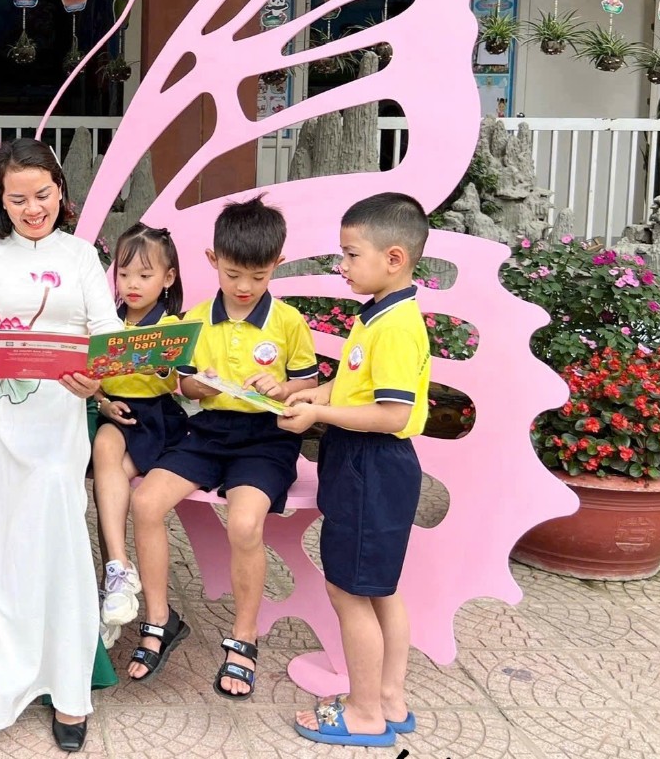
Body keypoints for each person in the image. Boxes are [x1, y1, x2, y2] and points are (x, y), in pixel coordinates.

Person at [0, 137, 121, 753]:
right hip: (6, 411)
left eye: (43, 195)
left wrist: (96, 375)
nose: (33, 209)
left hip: (64, 412)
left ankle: (71, 687)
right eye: (18, 199)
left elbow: (106, 328)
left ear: (61, 192)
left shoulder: (80, 255)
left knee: (63, 537)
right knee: (11, 542)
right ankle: (13, 676)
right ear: (0, 201)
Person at [128, 196, 319, 698]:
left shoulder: (288, 322)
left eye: (258, 275)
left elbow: (309, 385)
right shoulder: (193, 319)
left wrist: (284, 388)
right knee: (145, 502)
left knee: (244, 523)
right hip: (209, 431)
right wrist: (199, 386)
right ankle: (159, 619)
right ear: (213, 259)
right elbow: (185, 385)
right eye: (233, 274)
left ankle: (243, 636)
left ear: (277, 263)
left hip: (267, 439)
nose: (244, 286)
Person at [279, 193, 431, 748]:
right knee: (380, 589)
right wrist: (312, 393)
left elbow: (391, 415)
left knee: (348, 591)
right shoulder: (382, 314)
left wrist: (318, 415)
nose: (340, 266)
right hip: (371, 466)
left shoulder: (393, 327)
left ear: (394, 258)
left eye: (350, 254)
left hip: (372, 465)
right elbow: (357, 388)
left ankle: (364, 712)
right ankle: (389, 698)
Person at [90, 222, 186, 643]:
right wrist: (102, 401)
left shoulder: (172, 324)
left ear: (167, 278)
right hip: (116, 411)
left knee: (111, 479)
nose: (132, 284)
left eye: (144, 275)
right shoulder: (105, 321)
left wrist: (161, 366)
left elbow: (179, 380)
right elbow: (93, 377)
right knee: (103, 446)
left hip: (156, 417)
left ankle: (115, 584)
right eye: (124, 274)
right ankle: (118, 567)